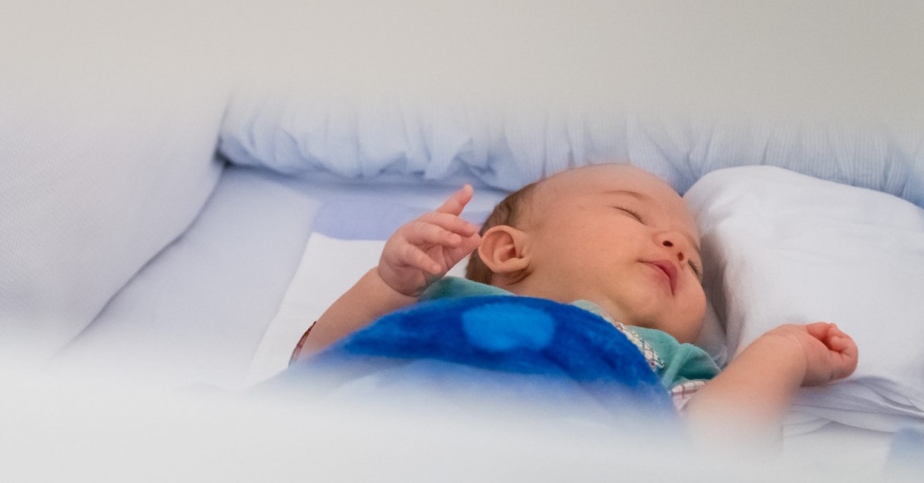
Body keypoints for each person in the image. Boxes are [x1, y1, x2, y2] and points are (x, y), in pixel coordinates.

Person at [292, 163, 858, 439]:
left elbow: (715, 456)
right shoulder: (442, 302)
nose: (676, 245)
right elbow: (318, 366)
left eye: (694, 265)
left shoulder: (667, 361)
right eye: (632, 213)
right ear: (510, 250)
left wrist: (781, 351)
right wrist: (390, 285)